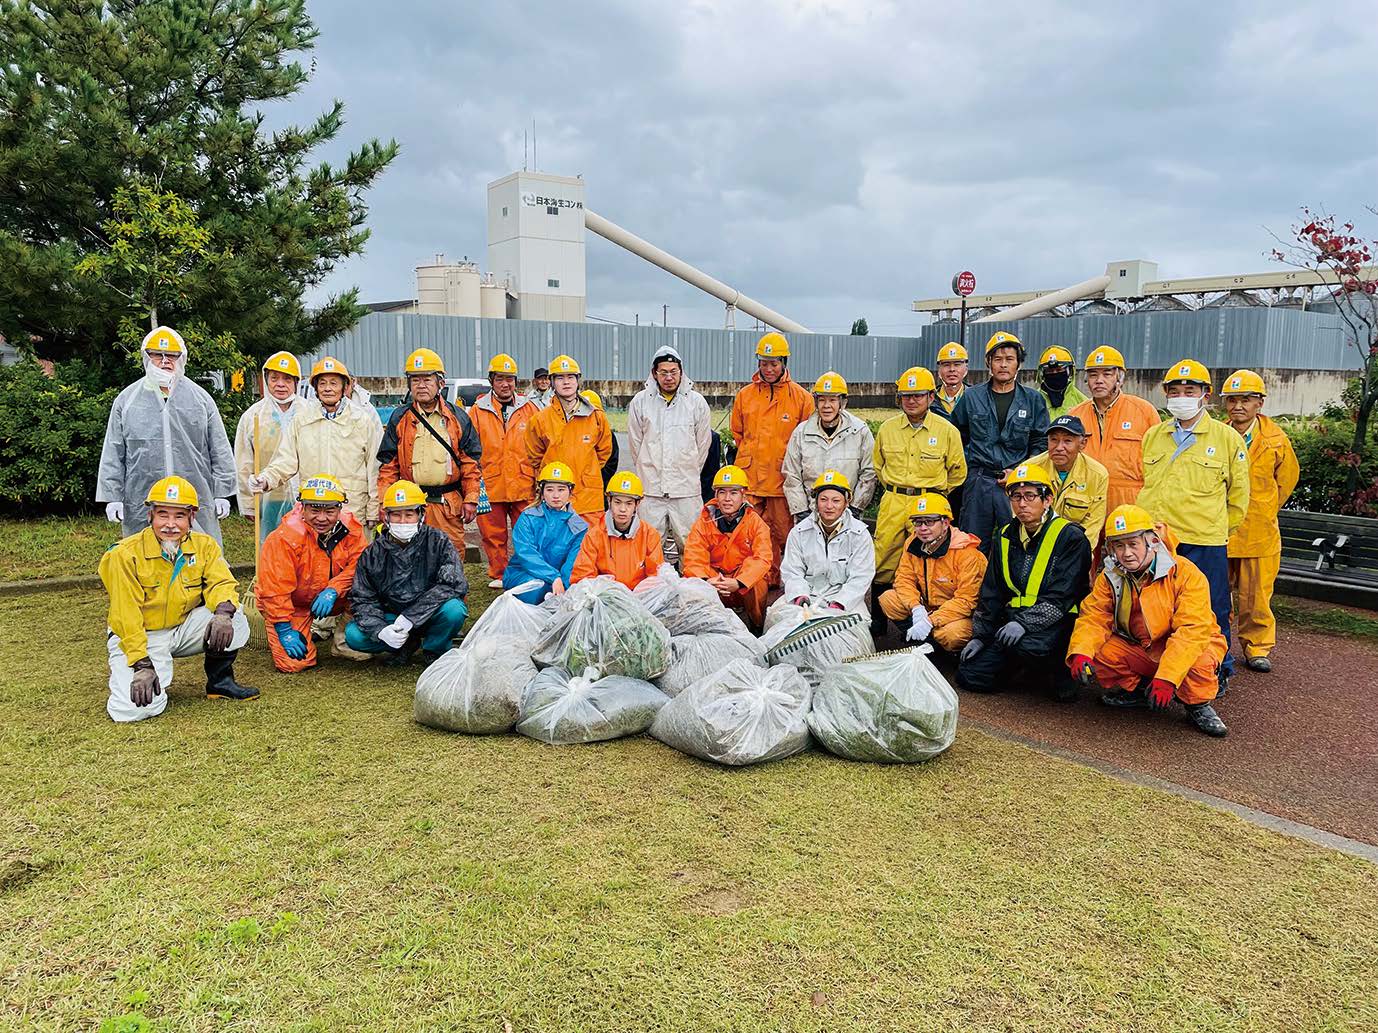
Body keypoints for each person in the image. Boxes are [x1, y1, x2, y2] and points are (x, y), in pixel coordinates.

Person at [98, 475, 256, 722]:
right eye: (163, 515)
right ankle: (143, 670)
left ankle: (220, 683)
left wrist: (223, 614)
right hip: (142, 635)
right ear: (150, 515)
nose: (170, 525)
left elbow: (221, 583)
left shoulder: (205, 546)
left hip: (183, 626)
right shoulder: (124, 555)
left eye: (179, 516)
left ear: (192, 517)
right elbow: (125, 614)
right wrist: (141, 663)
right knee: (132, 710)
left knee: (233, 616)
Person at [1067, 505, 1229, 737]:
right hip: (1141, 645)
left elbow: (1192, 631)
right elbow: (1094, 617)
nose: (1126, 553)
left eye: (1133, 544)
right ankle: (1138, 690)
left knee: (1199, 660)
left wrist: (1167, 678)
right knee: (1101, 651)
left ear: (1152, 541)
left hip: (1190, 643)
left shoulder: (1185, 573)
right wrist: (1081, 652)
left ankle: (1198, 705)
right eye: (1119, 546)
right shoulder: (1110, 575)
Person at [1136, 359, 1249, 685]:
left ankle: (1216, 670)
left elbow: (1239, 497)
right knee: (1157, 608)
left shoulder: (1227, 439)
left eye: (1189, 390)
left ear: (1205, 395)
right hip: (1158, 541)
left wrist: (1217, 530)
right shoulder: (1154, 436)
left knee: (1211, 609)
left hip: (1204, 542)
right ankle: (1158, 670)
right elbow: (1145, 482)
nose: (1181, 397)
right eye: (1175, 391)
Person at [957, 463, 1091, 701]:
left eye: (1030, 496)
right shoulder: (1005, 535)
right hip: (1013, 622)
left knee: (1031, 648)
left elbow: (1063, 597)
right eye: (1016, 496)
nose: (1022, 503)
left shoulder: (1071, 537)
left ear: (1047, 500)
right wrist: (981, 635)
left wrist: (1023, 623)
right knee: (970, 675)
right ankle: (1020, 664)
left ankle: (1059, 669)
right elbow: (992, 592)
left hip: (1058, 624)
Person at [97, 326, 237, 545]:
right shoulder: (127, 400)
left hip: (195, 496)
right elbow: (113, 451)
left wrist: (223, 492)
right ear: (146, 357)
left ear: (182, 358)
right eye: (157, 355)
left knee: (200, 552)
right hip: (142, 498)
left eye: (171, 355)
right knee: (142, 553)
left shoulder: (201, 399)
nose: (164, 361)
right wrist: (112, 496)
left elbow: (219, 447)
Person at [871, 365, 966, 635]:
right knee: (883, 558)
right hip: (894, 500)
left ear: (931, 397)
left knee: (928, 557)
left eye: (918, 395)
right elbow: (878, 465)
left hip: (929, 503)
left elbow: (958, 472)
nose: (911, 401)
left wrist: (936, 496)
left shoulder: (947, 431)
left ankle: (929, 621)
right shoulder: (888, 429)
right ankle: (879, 621)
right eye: (906, 395)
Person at [1222, 370, 1300, 673]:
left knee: (1256, 597)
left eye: (1246, 399)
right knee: (1216, 593)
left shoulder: (1276, 439)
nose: (1238, 406)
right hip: (1222, 529)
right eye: (1232, 400)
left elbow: (1287, 480)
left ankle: (1257, 648)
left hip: (1259, 532)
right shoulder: (1218, 434)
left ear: (1260, 403)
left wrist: (1265, 508)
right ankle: (1216, 645)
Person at [250, 356, 382, 532]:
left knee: (353, 551)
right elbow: (286, 460)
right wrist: (266, 479)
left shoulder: (362, 421)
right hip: (314, 511)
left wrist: (373, 510)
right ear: (315, 388)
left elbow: (375, 468)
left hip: (351, 511)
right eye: (322, 383)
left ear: (345, 387)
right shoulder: (302, 420)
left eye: (334, 383)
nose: (327, 388)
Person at [345, 480, 469, 665]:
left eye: (409, 514)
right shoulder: (373, 553)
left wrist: (411, 617)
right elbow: (362, 598)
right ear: (386, 517)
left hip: (430, 614)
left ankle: (435, 649)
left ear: (421, 515)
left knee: (454, 610)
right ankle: (403, 645)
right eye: (396, 515)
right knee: (354, 635)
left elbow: (453, 585)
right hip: (393, 618)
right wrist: (380, 630)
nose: (402, 521)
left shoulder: (438, 542)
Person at [377, 347, 482, 558]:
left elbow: (470, 463)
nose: (421, 385)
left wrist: (471, 498)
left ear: (440, 383)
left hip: (447, 506)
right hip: (409, 507)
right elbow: (388, 466)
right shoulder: (399, 418)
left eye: (427, 379)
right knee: (409, 560)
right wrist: (383, 502)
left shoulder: (458, 418)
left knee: (449, 558)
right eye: (415, 380)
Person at [255, 475, 367, 673]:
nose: (322, 518)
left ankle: (343, 641)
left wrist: (334, 589)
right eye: (314, 510)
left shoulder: (351, 530)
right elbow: (274, 590)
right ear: (302, 507)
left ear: (339, 509)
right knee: (294, 663)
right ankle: (289, 628)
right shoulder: (284, 538)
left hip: (333, 597)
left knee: (365, 588)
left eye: (329, 511)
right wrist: (284, 629)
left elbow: (360, 566)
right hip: (294, 604)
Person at [730, 331, 815, 588]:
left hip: (781, 482)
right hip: (751, 480)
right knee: (749, 535)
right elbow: (738, 434)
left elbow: (806, 442)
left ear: (784, 363)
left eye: (774, 363)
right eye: (764, 363)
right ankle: (756, 582)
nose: (768, 369)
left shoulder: (801, 398)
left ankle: (783, 582)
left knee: (784, 535)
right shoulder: (745, 395)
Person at [951, 331, 1050, 545]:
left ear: (1018, 364)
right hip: (979, 482)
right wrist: (969, 468)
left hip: (1018, 484)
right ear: (989, 363)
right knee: (973, 543)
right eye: (997, 359)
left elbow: (1040, 442)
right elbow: (956, 436)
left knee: (1016, 542)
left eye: (1009, 359)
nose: (1003, 365)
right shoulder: (972, 397)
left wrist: (1021, 471)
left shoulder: (1033, 400)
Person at [626, 346, 713, 565]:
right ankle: (653, 585)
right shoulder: (640, 402)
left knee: (691, 546)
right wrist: (648, 473)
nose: (669, 377)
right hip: (651, 491)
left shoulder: (696, 403)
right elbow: (635, 444)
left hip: (686, 491)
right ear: (654, 373)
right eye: (663, 372)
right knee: (649, 548)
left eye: (673, 372)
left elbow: (703, 445)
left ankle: (691, 584)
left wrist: (686, 472)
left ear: (681, 372)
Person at [877, 492, 986, 655]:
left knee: (951, 634)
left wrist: (930, 621)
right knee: (889, 600)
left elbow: (966, 600)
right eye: (918, 522)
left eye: (929, 522)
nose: (922, 528)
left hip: (959, 615)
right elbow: (904, 579)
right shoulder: (912, 543)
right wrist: (916, 607)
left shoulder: (967, 554)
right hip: (928, 607)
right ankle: (922, 640)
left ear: (945, 522)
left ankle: (944, 652)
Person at [470, 353, 539, 588]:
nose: (505, 384)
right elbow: (469, 449)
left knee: (526, 533)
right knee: (492, 534)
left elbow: (540, 444)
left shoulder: (530, 408)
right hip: (490, 484)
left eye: (510, 379)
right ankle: (499, 574)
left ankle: (524, 573)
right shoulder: (477, 411)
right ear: (491, 380)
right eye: (500, 379)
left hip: (524, 483)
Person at [1069, 345, 1161, 513]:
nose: (1099, 380)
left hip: (1130, 504)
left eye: (1107, 374)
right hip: (1084, 503)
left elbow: (1160, 466)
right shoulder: (1075, 415)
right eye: (1093, 375)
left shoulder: (1144, 412)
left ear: (1120, 378)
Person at [525, 354, 614, 523]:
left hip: (589, 498)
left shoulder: (596, 417)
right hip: (555, 499)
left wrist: (586, 472)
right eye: (560, 378)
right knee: (556, 539)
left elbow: (604, 452)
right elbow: (535, 457)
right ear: (552, 382)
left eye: (571, 377)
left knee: (590, 539)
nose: (566, 382)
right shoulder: (540, 420)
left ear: (578, 381)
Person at [683, 465, 773, 631]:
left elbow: (762, 558)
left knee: (758, 581)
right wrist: (707, 581)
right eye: (722, 492)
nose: (727, 498)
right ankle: (706, 628)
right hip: (714, 581)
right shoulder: (703, 523)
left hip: (741, 583)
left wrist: (739, 582)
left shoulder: (756, 523)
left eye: (733, 493)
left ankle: (757, 628)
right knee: (691, 582)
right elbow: (693, 558)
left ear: (743, 495)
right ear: (716, 495)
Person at [782, 372, 877, 525]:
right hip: (810, 514)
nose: (826, 406)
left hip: (848, 514)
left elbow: (869, 473)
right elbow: (791, 474)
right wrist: (801, 511)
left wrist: (855, 508)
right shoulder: (801, 433)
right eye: (822, 400)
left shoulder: (859, 432)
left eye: (832, 400)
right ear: (816, 402)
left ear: (842, 402)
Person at [778, 471, 875, 614]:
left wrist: (839, 604)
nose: (829, 506)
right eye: (823, 499)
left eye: (836, 501)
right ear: (816, 502)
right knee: (778, 617)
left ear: (846, 503)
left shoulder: (860, 534)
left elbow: (861, 577)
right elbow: (792, 571)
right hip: (807, 595)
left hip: (845, 599)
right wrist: (800, 595)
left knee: (854, 626)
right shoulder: (799, 532)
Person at [234, 351, 303, 543]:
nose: (280, 384)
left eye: (287, 379)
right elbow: (243, 462)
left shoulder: (308, 413)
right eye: (274, 378)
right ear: (266, 380)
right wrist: (248, 503)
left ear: (296, 382)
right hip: (268, 497)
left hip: (304, 497)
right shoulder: (253, 416)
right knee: (271, 545)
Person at [503, 462, 590, 603]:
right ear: (542, 492)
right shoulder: (528, 517)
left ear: (570, 491)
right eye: (549, 490)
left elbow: (571, 563)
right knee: (535, 590)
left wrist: (565, 587)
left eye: (561, 490)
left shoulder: (579, 527)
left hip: (559, 579)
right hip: (523, 573)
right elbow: (526, 555)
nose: (556, 495)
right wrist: (553, 577)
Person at [1025, 415, 1110, 552]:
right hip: (1035, 545)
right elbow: (1020, 516)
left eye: (1067, 441)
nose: (1059, 447)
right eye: (1054, 440)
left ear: (1082, 444)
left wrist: (1078, 554)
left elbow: (1093, 524)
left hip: (1075, 548)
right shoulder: (1029, 469)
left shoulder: (1097, 475)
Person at [571, 471, 665, 589]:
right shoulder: (594, 535)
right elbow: (583, 576)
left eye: (629, 504)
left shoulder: (649, 535)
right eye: (617, 502)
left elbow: (656, 577)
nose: (622, 509)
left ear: (637, 504)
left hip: (639, 596)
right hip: (605, 595)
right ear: (609, 501)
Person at [580, 388, 621, 488]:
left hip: (599, 483)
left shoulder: (607, 434)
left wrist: (598, 477)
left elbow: (612, 462)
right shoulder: (572, 431)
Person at [1036, 346, 1089, 421]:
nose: (1055, 374)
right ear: (1042, 374)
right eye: (1050, 371)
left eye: (1059, 370)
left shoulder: (1083, 403)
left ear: (1069, 371)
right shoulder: (1033, 401)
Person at [934, 341, 969, 416]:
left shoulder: (976, 398)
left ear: (966, 369)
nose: (952, 369)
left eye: (957, 365)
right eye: (946, 365)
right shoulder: (929, 399)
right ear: (939, 369)